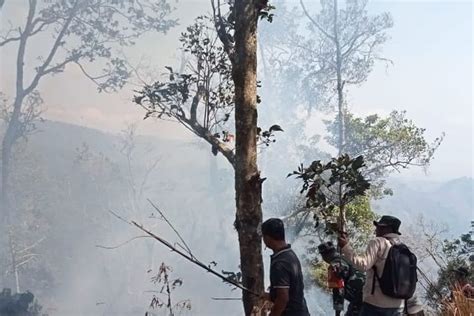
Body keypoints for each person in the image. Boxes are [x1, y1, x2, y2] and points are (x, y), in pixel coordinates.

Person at [337, 215, 414, 316]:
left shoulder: (378, 242)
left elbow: (363, 265)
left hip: (375, 304)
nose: (376, 229)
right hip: (398, 307)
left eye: (379, 226)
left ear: (387, 229)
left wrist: (345, 247)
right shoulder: (403, 248)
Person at [262, 218, 310, 316]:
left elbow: (283, 298)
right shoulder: (289, 254)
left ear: (267, 237)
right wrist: (270, 296)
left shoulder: (280, 262)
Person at [318, 241, 364, 316]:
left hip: (359, 299)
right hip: (372, 294)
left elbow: (338, 291)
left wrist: (337, 314)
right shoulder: (347, 258)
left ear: (324, 256)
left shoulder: (334, 267)